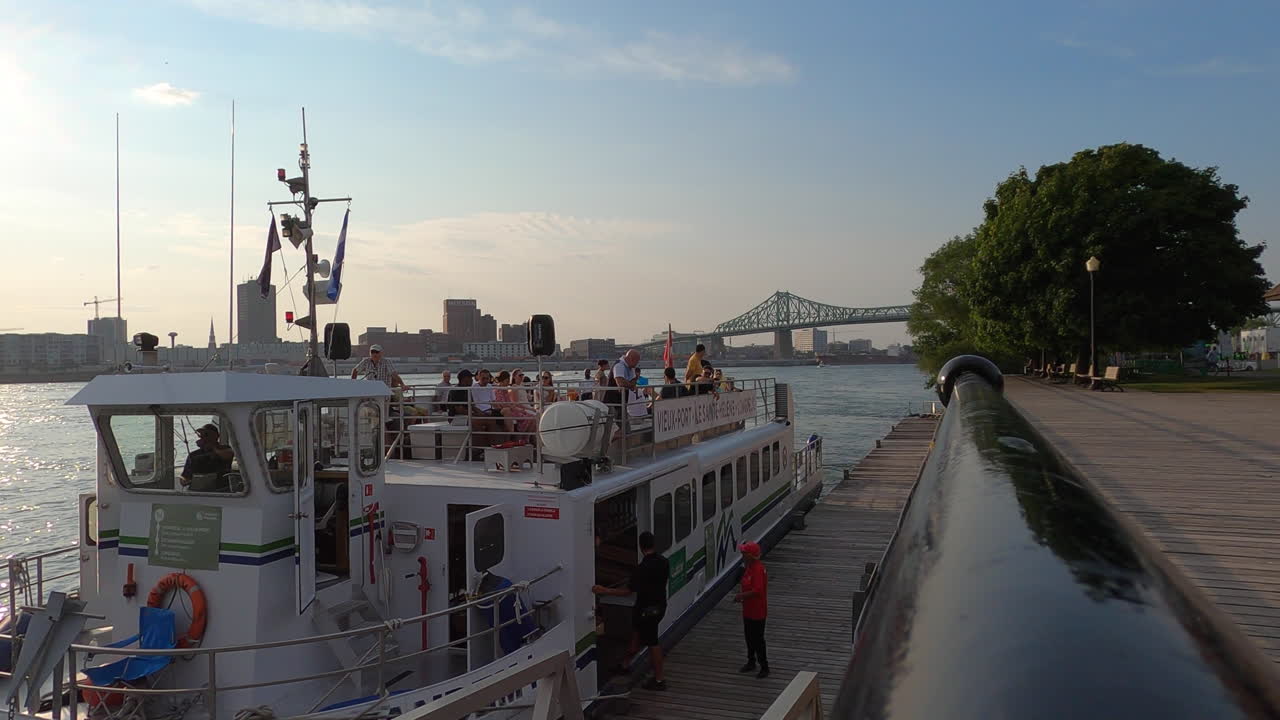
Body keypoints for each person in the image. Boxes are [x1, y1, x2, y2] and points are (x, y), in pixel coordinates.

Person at [593, 531, 669, 691]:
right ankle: (625, 664)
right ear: (653, 544)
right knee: (636, 636)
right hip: (659, 606)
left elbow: (628, 591)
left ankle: (660, 680)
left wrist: (604, 590)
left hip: (646, 611)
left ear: (640, 547)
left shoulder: (641, 568)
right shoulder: (663, 562)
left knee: (652, 643)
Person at [734, 541, 769, 679]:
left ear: (750, 555)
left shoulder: (758, 569)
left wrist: (741, 596)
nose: (742, 555)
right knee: (749, 637)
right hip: (748, 610)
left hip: (758, 611)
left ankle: (764, 666)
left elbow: (758, 590)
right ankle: (751, 661)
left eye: (744, 553)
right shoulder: (748, 567)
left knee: (758, 639)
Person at [180, 424, 235, 488]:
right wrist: (184, 480)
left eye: (206, 434)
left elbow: (228, 455)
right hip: (198, 490)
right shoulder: (193, 455)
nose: (203, 437)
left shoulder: (225, 449)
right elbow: (184, 476)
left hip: (220, 490)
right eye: (201, 435)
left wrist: (212, 446)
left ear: (216, 436)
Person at [496, 369, 537, 437]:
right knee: (531, 417)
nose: (508, 382)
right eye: (520, 375)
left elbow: (510, 402)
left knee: (533, 416)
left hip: (513, 408)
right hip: (510, 410)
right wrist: (520, 409)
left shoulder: (506, 389)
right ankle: (525, 437)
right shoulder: (499, 390)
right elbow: (507, 403)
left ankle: (530, 437)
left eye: (522, 375)